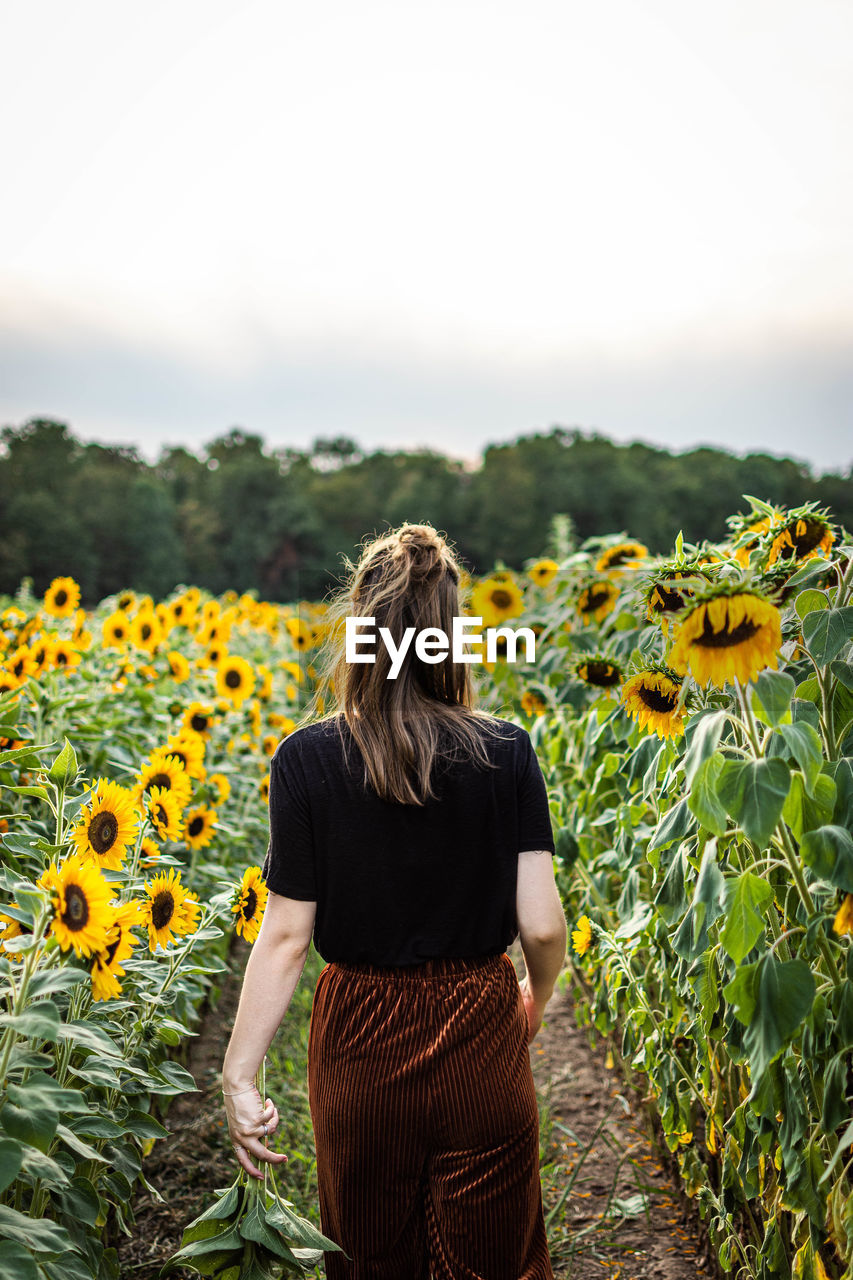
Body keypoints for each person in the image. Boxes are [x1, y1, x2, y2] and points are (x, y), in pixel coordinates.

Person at [221, 522, 568, 1280]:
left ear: (360, 630)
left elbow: (284, 937)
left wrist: (240, 1076)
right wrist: (532, 999)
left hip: (359, 1037)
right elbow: (541, 925)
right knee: (493, 1259)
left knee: (372, 1252)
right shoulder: (504, 750)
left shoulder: (305, 758)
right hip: (480, 1023)